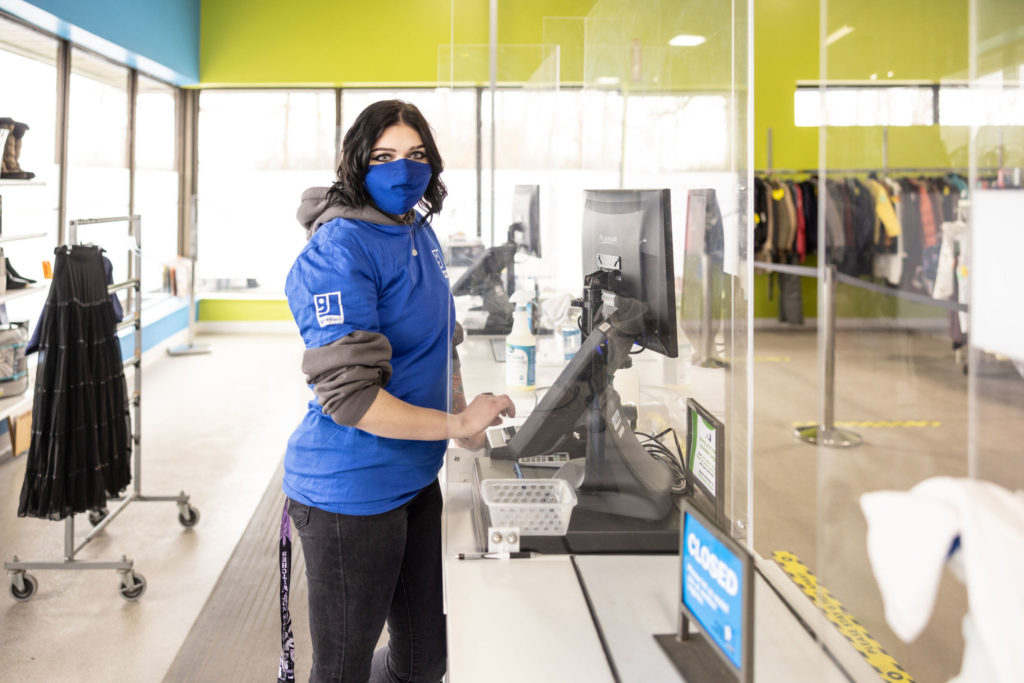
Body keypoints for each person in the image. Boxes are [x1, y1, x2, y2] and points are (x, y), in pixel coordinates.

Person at [283, 99, 514, 682]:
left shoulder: (416, 228)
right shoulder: (338, 250)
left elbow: (442, 337)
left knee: (423, 661)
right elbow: (351, 398)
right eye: (384, 157)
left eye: (415, 155)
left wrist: (463, 420)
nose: (402, 170)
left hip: (414, 477)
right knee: (342, 670)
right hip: (350, 492)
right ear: (356, 163)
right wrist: (457, 424)